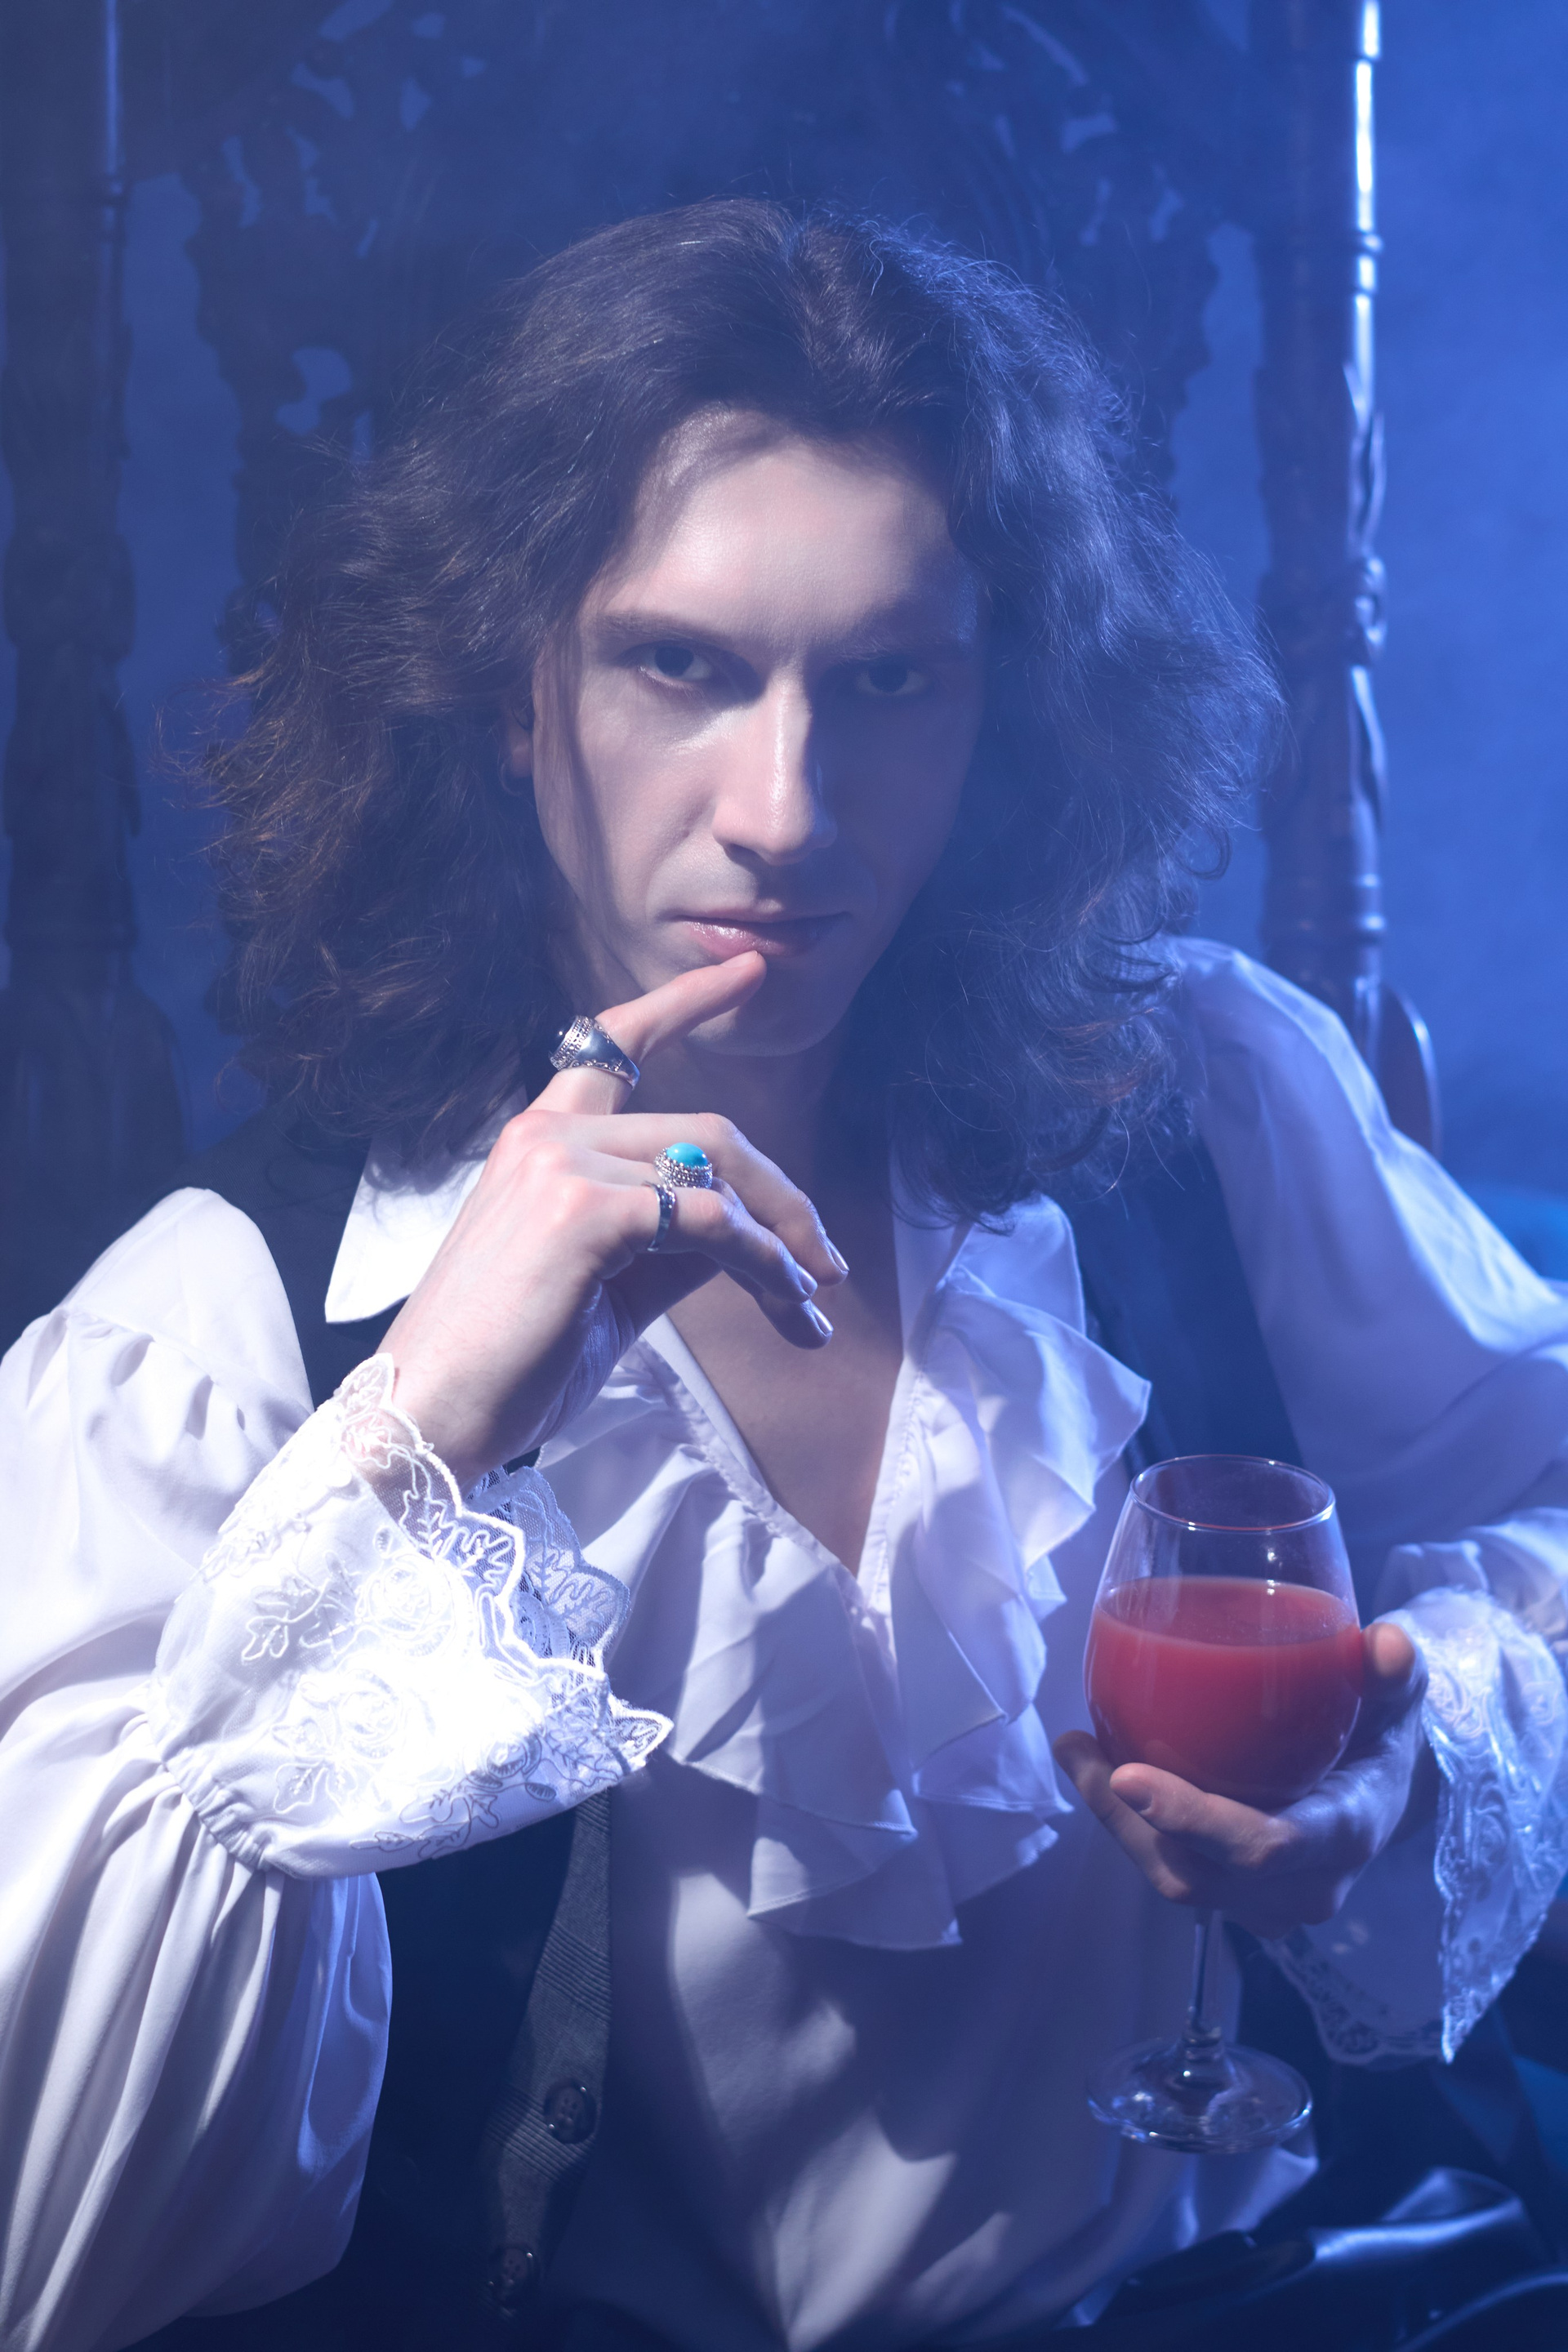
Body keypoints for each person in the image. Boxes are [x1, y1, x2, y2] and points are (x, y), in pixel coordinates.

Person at [2, 198, 1566, 2352]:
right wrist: (414, 1435)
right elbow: (54, 2231)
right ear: (511, 699)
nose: (789, 810)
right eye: (681, 667)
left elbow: (1547, 1502)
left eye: (890, 680)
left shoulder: (1199, 1092)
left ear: (1003, 710)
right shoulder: (217, 1323)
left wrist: (1414, 1768)